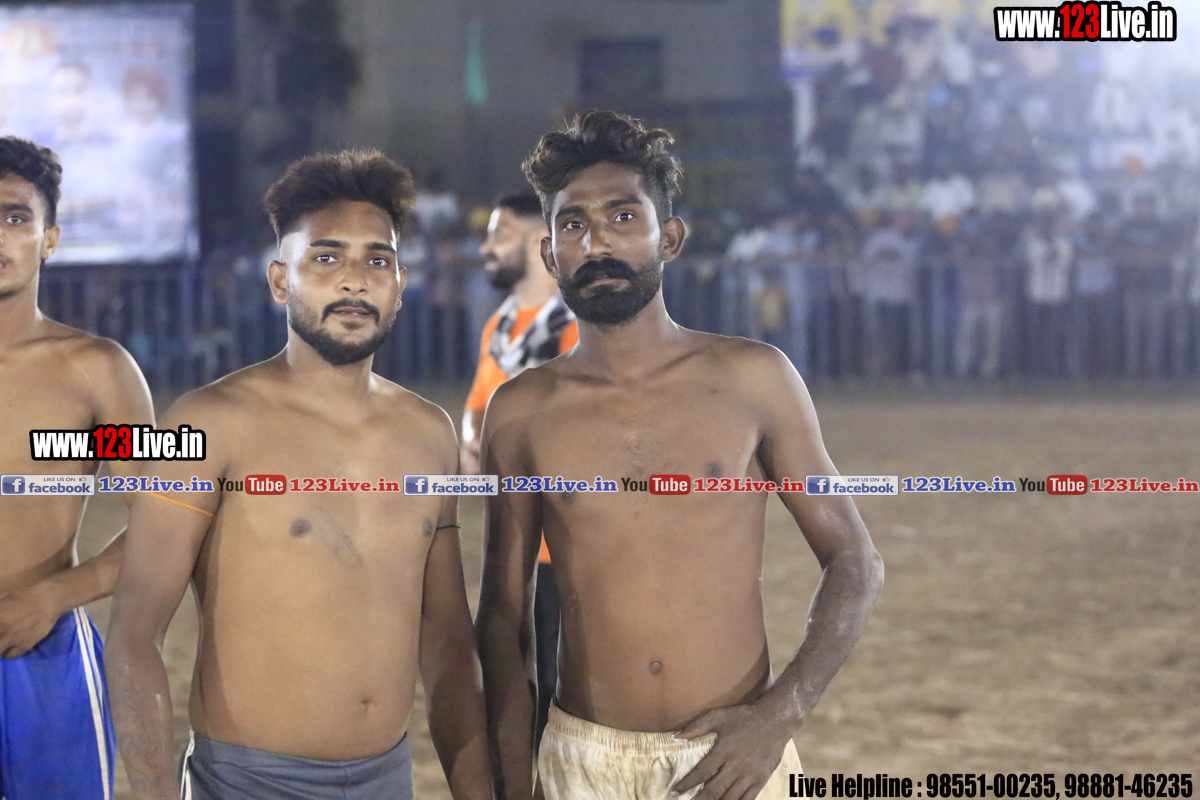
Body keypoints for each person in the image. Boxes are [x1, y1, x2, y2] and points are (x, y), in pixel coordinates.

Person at [476, 111, 884, 800]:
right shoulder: (521, 411)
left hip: (736, 759)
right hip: (583, 762)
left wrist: (778, 718)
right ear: (549, 254)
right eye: (572, 224)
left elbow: (854, 559)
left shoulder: (754, 378)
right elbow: (502, 616)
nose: (596, 241)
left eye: (622, 216)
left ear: (668, 237)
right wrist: (516, 782)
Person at [105, 149, 493, 800]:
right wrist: (151, 789)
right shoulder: (211, 423)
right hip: (246, 783)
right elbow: (136, 630)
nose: (355, 280)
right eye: (326, 258)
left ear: (400, 284)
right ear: (281, 281)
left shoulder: (430, 433)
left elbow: (449, 641)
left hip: (388, 780)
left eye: (377, 260)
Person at [0, 136, 155, 800]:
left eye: (14, 216)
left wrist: (50, 598)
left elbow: (165, 517)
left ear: (50, 239)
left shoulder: (98, 372)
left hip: (44, 655)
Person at [461, 190, 577, 750]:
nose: (486, 247)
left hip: (569, 543)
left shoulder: (578, 328)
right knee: (515, 685)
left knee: (561, 694)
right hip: (514, 542)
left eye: (500, 234)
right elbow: (478, 410)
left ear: (538, 244)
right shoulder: (500, 327)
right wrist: (472, 445)